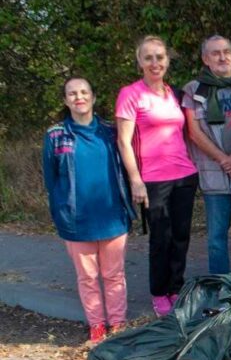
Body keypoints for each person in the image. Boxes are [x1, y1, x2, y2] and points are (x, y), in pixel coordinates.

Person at [43, 78, 136, 343]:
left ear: (93, 97)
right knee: (87, 276)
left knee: (114, 274)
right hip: (76, 219)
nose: (79, 97)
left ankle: (117, 323)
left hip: (112, 215)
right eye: (72, 93)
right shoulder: (55, 134)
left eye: (84, 92)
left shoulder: (110, 131)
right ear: (65, 100)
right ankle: (96, 324)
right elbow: (51, 180)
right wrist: (60, 211)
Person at [116, 35, 199, 317]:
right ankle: (159, 293)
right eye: (148, 57)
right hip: (153, 179)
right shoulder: (131, 94)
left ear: (167, 61)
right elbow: (124, 141)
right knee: (160, 238)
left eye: (160, 57)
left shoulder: (174, 94)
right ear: (139, 61)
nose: (155, 63)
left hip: (185, 175)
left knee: (181, 236)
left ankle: (176, 288)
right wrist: (135, 179)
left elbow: (186, 132)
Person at [182, 35, 231, 276]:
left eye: (227, 51)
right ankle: (221, 286)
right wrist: (226, 162)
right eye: (215, 53)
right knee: (217, 237)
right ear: (206, 59)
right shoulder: (195, 89)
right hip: (214, 174)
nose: (223, 57)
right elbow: (194, 132)